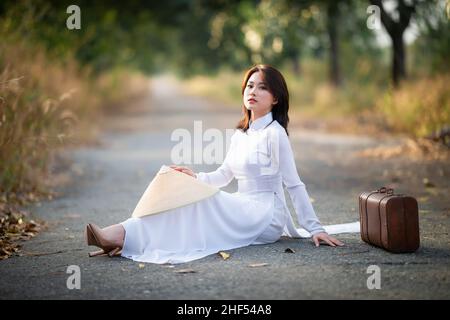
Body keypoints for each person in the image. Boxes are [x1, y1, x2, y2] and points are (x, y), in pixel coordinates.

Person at [85, 64, 358, 264]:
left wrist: (316, 228)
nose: (253, 91)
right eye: (250, 85)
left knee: (205, 203)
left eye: (263, 87)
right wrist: (194, 178)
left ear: (275, 98)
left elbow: (294, 184)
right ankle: (127, 234)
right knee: (174, 180)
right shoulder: (241, 133)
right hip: (243, 205)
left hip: (265, 215)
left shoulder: (275, 134)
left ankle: (121, 236)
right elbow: (224, 174)